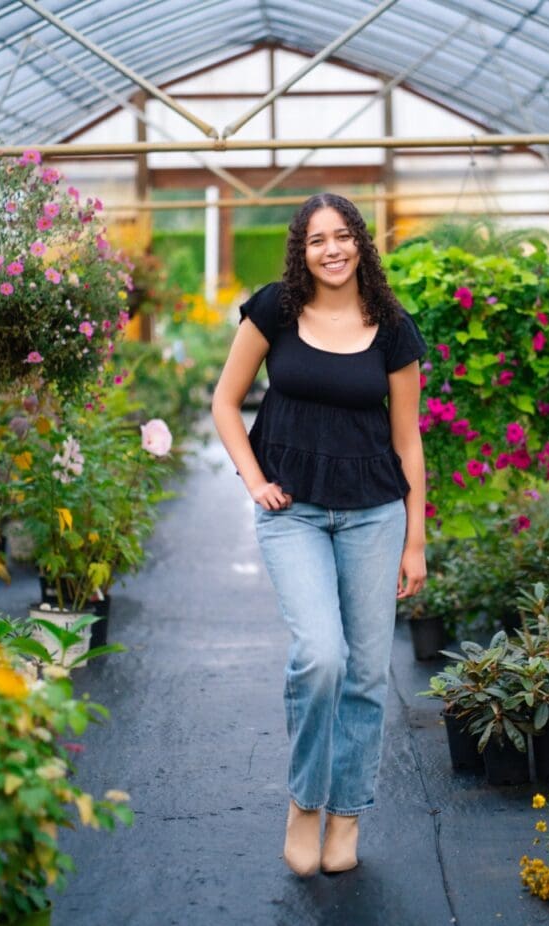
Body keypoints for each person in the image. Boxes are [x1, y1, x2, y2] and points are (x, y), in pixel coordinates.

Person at [212, 193, 427, 877]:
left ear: (361, 243)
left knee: (366, 674)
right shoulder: (275, 308)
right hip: (293, 512)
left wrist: (415, 539)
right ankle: (305, 802)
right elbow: (224, 400)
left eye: (343, 237)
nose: (331, 250)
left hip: (373, 513)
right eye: (316, 240)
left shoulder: (393, 329)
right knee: (320, 658)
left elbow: (409, 442)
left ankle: (346, 815)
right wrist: (252, 479)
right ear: (300, 251)